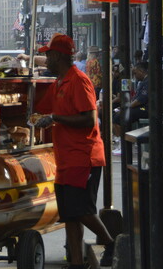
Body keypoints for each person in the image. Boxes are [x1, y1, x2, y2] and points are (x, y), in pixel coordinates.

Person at [31, 34, 114, 268]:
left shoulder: (79, 80)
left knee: (81, 210)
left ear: (57, 56)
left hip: (83, 156)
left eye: (48, 54)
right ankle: (77, 262)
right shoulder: (59, 82)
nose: (45, 59)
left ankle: (110, 242)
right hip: (66, 158)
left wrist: (55, 118)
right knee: (69, 214)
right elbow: (40, 108)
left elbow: (89, 119)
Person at [112, 61, 149, 141]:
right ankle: (121, 140)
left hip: (144, 109)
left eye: (135, 73)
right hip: (136, 106)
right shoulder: (140, 82)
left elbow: (140, 100)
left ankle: (123, 142)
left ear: (141, 71)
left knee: (119, 117)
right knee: (114, 114)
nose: (134, 76)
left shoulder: (147, 81)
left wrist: (125, 108)